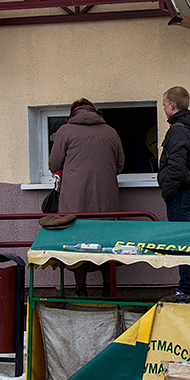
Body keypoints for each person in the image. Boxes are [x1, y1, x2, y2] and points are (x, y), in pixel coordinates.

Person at [48, 98, 125, 297]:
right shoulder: (111, 132)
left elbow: (54, 163)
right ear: (95, 112)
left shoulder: (65, 131)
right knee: (107, 242)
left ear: (73, 113)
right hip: (107, 199)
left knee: (76, 242)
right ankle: (108, 288)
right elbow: (120, 165)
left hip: (74, 199)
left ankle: (81, 289)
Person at [158, 86, 190, 301]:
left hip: (181, 195)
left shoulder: (178, 130)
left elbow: (176, 167)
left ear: (172, 104)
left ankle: (186, 291)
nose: (163, 109)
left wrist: (168, 192)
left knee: (183, 246)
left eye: (163, 104)